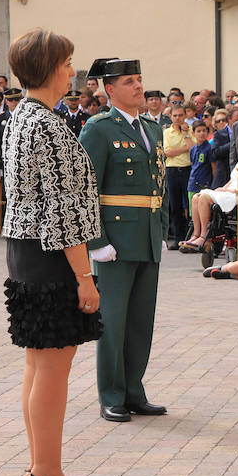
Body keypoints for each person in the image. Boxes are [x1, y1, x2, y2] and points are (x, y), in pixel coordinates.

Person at [1, 28, 98, 476]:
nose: (71, 70)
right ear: (46, 67)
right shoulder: (49, 126)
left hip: (25, 248)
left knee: (38, 365)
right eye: (65, 62)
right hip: (52, 253)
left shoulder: (22, 116)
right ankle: (47, 470)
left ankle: (42, 465)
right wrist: (85, 278)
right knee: (53, 366)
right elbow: (65, 213)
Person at [79, 56, 169, 423]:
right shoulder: (99, 128)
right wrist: (96, 240)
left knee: (140, 321)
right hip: (115, 240)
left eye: (140, 79)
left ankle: (134, 390)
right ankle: (111, 394)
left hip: (146, 236)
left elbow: (159, 181)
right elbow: (85, 189)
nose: (138, 86)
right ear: (110, 89)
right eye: (130, 81)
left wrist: (160, 228)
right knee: (113, 322)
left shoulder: (153, 128)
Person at [185, 130, 238, 248]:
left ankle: (204, 236)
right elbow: (232, 180)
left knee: (203, 198)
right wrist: (223, 188)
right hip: (229, 193)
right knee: (196, 197)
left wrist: (233, 190)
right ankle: (196, 234)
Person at [162, 105, 195, 246]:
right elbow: (167, 152)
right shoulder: (166, 132)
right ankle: (177, 238)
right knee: (175, 206)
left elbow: (193, 147)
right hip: (172, 170)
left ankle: (189, 237)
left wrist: (186, 133)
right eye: (175, 115)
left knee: (189, 206)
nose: (178, 118)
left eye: (180, 115)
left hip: (187, 169)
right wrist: (184, 148)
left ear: (185, 116)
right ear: (171, 117)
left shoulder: (190, 130)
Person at [185, 121, 214, 215]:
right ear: (193, 133)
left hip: (204, 185)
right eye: (199, 131)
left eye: (204, 130)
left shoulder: (209, 148)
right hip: (192, 184)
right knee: (193, 214)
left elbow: (214, 168)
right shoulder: (193, 149)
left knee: (203, 214)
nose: (202, 133)